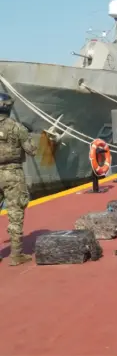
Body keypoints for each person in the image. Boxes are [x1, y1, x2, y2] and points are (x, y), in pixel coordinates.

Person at [0, 94, 37, 265]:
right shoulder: (17, 127)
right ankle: (16, 255)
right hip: (13, 173)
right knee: (15, 213)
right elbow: (32, 150)